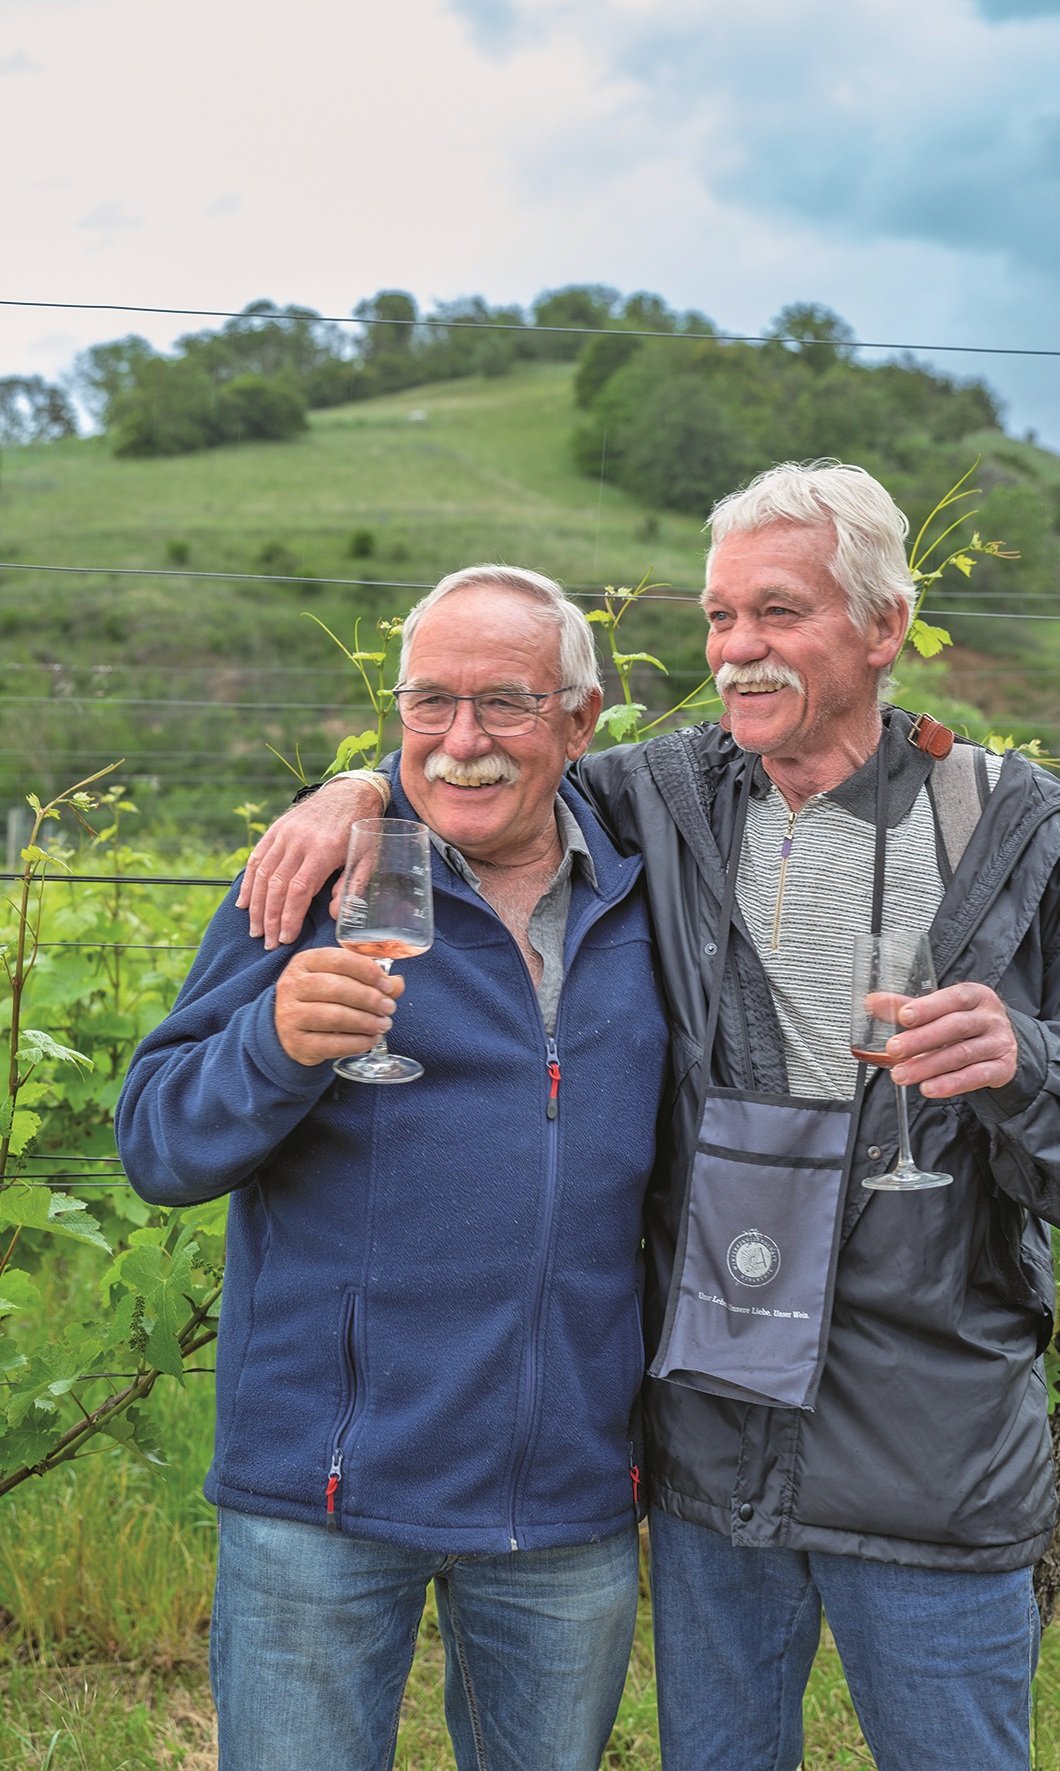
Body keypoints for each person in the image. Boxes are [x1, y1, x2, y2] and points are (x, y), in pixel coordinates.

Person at [238, 462, 1060, 1771]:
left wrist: (1032, 1055)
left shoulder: (1019, 830)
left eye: (777, 612)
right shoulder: (650, 799)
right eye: (719, 615)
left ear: (883, 626)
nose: (735, 649)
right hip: (712, 1449)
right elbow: (481, 764)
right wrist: (354, 794)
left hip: (929, 1443)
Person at [115, 565, 669, 1771]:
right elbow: (156, 1141)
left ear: (578, 721)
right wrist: (271, 1048)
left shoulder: (653, 888)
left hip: (562, 1502)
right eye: (429, 703)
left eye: (505, 705)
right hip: (322, 1493)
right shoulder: (316, 882)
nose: (460, 741)